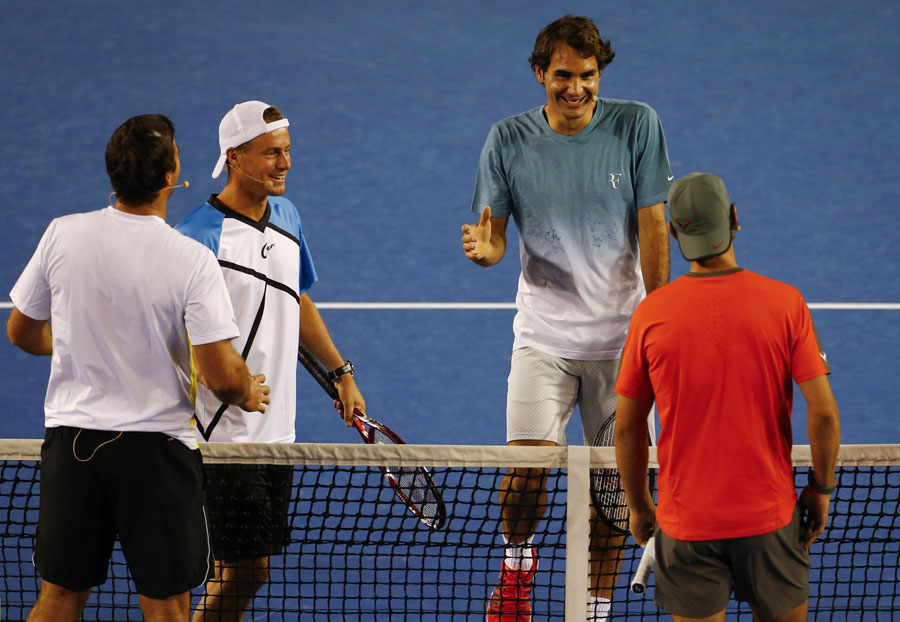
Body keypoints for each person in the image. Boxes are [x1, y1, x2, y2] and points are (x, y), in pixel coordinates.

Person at [6, 114, 270, 622]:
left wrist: (79, 343)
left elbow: (21, 331)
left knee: (58, 597)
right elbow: (221, 376)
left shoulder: (63, 234)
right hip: (155, 454)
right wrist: (246, 390)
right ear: (171, 177)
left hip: (73, 446)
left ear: (114, 176)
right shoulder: (191, 260)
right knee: (167, 607)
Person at [459, 15, 672, 622]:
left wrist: (658, 314)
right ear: (539, 74)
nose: (575, 89)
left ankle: (594, 609)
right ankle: (517, 569)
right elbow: (495, 238)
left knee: (613, 492)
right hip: (543, 339)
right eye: (562, 76)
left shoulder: (637, 125)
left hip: (622, 342)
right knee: (526, 472)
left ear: (598, 73)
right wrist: (484, 251)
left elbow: (653, 224)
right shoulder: (507, 139)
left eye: (587, 76)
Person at [615, 172, 841, 622]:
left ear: (675, 231)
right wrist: (820, 487)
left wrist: (639, 505)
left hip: (686, 527)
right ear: (734, 219)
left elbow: (626, 426)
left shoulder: (650, 315)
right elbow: (825, 416)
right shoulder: (786, 303)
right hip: (771, 521)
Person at [176, 100, 365, 621]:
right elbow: (180, 338)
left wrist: (341, 372)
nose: (284, 164)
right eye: (271, 154)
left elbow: (296, 299)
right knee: (248, 570)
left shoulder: (287, 215)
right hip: (222, 433)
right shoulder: (196, 238)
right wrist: (229, 387)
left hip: (277, 431)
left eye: (286, 152)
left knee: (237, 570)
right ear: (234, 157)